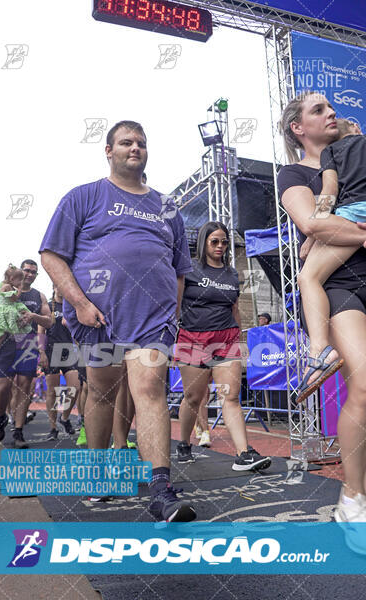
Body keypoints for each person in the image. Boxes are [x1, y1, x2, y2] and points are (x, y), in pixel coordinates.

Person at [39, 120, 196, 522]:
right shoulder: (83, 197)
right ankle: (96, 471)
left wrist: (173, 313)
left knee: (149, 388)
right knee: (104, 393)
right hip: (99, 318)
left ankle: (160, 488)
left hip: (153, 319)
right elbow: (52, 256)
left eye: (142, 143)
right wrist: (79, 303)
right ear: (108, 151)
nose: (135, 148)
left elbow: (180, 268)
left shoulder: (167, 206)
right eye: (126, 142)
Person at [278, 91, 366, 524]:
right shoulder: (293, 172)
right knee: (365, 386)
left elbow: (328, 227)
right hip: (342, 287)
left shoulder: (358, 152)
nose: (331, 113)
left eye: (332, 108)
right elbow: (312, 223)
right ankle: (352, 499)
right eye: (318, 110)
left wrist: (341, 229)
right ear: (299, 127)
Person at [174, 221, 271, 470]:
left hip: (226, 339)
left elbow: (234, 308)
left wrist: (239, 339)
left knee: (231, 397)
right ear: (204, 242)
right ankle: (183, 443)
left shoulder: (232, 273)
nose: (220, 246)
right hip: (193, 338)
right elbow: (174, 303)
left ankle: (243, 454)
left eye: (224, 242)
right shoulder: (189, 269)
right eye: (214, 241)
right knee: (193, 398)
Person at [296, 118, 366, 402]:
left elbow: (328, 193)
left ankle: (319, 350)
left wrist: (313, 235)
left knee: (308, 276)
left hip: (350, 213)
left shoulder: (332, 152)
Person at [0, 259, 52, 448]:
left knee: (25, 387)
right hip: (7, 341)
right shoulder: (4, 289)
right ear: (20, 272)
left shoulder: (38, 296)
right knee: (2, 386)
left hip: (28, 343)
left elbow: (49, 322)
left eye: (34, 272)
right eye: (27, 270)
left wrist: (33, 316)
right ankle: (1, 419)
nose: (30, 274)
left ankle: (18, 431)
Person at [38, 286, 80, 440]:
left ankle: (64, 418)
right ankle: (53, 428)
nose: (62, 289)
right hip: (50, 350)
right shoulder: (47, 307)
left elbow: (76, 330)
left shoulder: (72, 307)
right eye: (58, 286)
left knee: (75, 387)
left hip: (68, 349)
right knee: (53, 391)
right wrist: (41, 353)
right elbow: (40, 332)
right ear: (54, 288)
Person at [0, 265, 32, 377]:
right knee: (8, 331)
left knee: (1, 335)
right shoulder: (8, 287)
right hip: (7, 311)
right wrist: (20, 289)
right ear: (12, 279)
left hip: (3, 310)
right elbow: (14, 299)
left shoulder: (2, 285)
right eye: (19, 280)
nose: (21, 282)